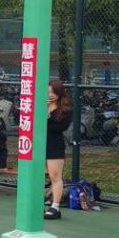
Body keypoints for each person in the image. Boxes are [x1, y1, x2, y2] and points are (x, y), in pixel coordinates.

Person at [45, 78, 74, 220]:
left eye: (54, 92)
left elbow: (61, 127)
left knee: (55, 176)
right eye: (48, 92)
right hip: (36, 144)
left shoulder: (65, 109)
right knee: (36, 175)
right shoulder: (38, 105)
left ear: (60, 93)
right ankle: (36, 202)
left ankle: (55, 206)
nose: (50, 95)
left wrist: (44, 120)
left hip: (54, 145)